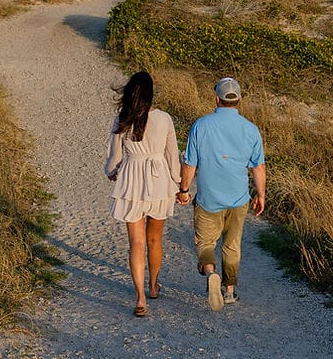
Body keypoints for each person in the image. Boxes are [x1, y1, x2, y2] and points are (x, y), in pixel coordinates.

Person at [176, 76, 265, 310]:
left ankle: (210, 272)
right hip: (238, 198)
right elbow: (258, 166)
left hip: (209, 198)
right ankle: (229, 290)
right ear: (239, 99)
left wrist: (184, 190)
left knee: (205, 242)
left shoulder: (201, 125)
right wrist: (261, 195)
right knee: (232, 245)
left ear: (217, 98)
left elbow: (190, 163)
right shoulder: (251, 129)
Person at [105, 70, 180, 317]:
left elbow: (114, 157)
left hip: (132, 180)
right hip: (159, 180)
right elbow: (172, 156)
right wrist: (179, 184)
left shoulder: (122, 118)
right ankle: (153, 286)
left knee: (135, 243)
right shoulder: (164, 119)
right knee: (154, 239)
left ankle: (139, 297)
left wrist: (112, 171)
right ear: (150, 94)